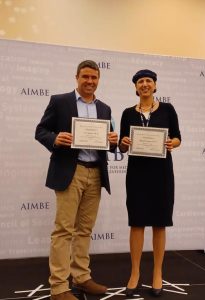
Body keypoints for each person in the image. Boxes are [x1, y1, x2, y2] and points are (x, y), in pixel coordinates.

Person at [35, 60, 118, 300]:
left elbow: (109, 145)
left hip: (95, 173)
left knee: (85, 230)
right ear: (77, 77)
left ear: (98, 79)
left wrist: (113, 141)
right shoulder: (60, 102)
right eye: (85, 77)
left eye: (94, 77)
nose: (90, 81)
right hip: (71, 172)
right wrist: (54, 138)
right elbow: (40, 131)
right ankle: (59, 287)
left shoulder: (105, 108)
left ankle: (81, 277)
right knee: (63, 231)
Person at [119, 69, 181, 297]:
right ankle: (134, 273)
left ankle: (157, 272)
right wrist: (124, 142)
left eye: (149, 81)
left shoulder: (167, 109)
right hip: (137, 174)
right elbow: (123, 146)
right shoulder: (127, 113)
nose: (145, 84)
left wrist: (171, 143)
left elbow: (177, 137)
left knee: (159, 222)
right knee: (136, 222)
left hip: (161, 173)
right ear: (135, 87)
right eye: (140, 82)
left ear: (155, 86)